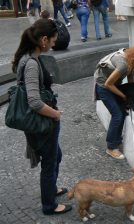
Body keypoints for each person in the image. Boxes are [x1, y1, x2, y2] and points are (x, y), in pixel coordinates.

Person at [11, 19, 72, 215]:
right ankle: (49, 205)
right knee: (49, 162)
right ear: (44, 40)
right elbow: (34, 102)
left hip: (44, 121)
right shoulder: (31, 64)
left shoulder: (30, 57)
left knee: (56, 156)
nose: (55, 44)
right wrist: (56, 114)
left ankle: (51, 189)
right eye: (53, 41)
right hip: (44, 122)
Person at [94, 44, 134, 159]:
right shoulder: (123, 64)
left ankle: (117, 140)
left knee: (122, 111)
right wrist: (124, 96)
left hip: (113, 84)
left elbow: (130, 80)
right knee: (117, 114)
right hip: (103, 86)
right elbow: (108, 84)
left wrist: (133, 93)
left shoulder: (132, 59)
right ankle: (111, 147)